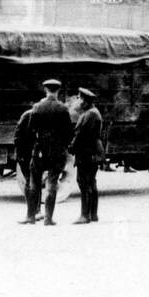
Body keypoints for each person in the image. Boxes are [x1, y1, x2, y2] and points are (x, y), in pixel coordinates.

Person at [22, 79, 74, 226]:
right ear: (58, 91)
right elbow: (69, 133)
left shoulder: (37, 107)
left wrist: (35, 147)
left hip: (39, 151)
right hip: (57, 151)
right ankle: (48, 218)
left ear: (45, 90)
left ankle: (31, 217)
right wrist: (62, 146)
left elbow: (30, 130)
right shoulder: (62, 108)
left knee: (34, 184)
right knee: (52, 183)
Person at [70, 87, 104, 224]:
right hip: (93, 152)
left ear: (85, 101)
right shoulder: (94, 112)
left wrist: (71, 147)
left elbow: (80, 135)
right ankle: (93, 214)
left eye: (79, 98)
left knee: (83, 182)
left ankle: (85, 215)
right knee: (91, 182)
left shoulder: (89, 115)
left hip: (87, 153)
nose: (78, 101)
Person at [13, 108, 35, 221]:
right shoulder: (38, 115)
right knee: (34, 182)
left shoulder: (27, 115)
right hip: (32, 154)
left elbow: (17, 137)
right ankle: (36, 212)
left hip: (26, 155)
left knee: (29, 183)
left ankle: (30, 215)